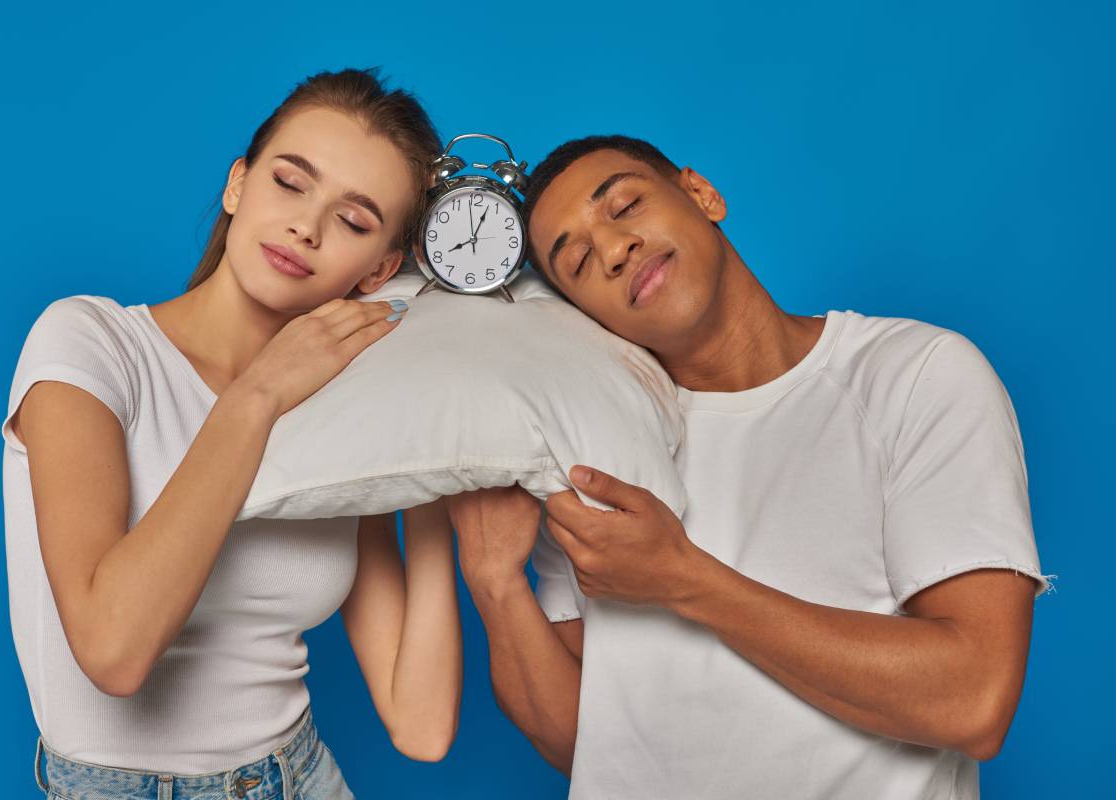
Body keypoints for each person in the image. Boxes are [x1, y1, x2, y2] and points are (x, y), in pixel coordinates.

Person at [447, 135, 1047, 799]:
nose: (615, 251)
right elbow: (587, 743)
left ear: (702, 194)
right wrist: (493, 579)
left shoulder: (914, 376)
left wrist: (685, 580)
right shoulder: (589, 452)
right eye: (580, 261)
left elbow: (973, 703)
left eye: (625, 206)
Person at [1, 68, 462, 800]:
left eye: (353, 220)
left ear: (378, 272)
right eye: (289, 182)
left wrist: (439, 476)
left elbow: (421, 725)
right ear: (238, 185)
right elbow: (113, 652)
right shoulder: (90, 344)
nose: (305, 227)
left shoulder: (344, 414)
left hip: (302, 778)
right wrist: (257, 395)